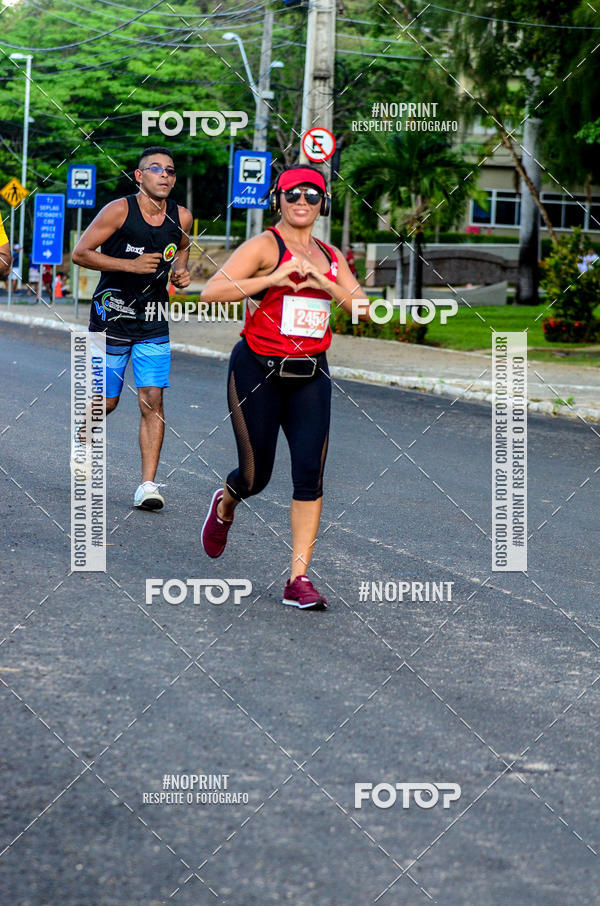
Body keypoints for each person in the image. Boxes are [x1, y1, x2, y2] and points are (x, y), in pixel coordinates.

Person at [200, 164, 369, 610]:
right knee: (256, 477)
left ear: (323, 204)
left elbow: (363, 308)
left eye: (312, 195)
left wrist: (324, 282)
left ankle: (299, 579)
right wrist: (270, 280)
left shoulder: (331, 255)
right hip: (257, 370)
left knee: (309, 475)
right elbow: (211, 293)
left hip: (310, 374)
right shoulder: (263, 246)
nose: (302, 202)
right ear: (277, 199)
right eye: (292, 194)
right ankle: (226, 505)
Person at [72, 146, 193, 509]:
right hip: (109, 316)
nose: (165, 176)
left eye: (170, 171)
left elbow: (183, 249)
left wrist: (181, 273)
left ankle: (147, 485)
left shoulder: (182, 217)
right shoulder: (118, 210)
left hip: (153, 320)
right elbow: (81, 253)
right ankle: (83, 441)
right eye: (156, 169)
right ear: (139, 176)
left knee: (152, 400)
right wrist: (131, 266)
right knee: (107, 402)